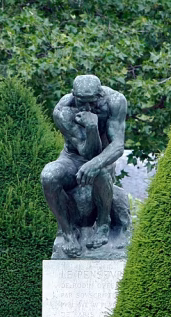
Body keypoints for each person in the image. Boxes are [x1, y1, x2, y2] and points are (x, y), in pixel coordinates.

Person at [41, 74, 128, 257]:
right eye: (82, 102)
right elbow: (85, 151)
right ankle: (68, 232)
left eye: (92, 102)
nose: (87, 108)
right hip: (72, 159)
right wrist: (90, 128)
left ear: (100, 94)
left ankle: (103, 224)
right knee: (48, 176)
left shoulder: (115, 101)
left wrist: (95, 163)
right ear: (73, 95)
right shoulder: (63, 110)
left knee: (101, 171)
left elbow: (117, 145)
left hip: (103, 157)